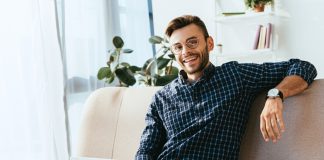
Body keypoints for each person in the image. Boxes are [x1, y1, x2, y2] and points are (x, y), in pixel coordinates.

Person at [135, 15, 317, 160]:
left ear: (209, 43)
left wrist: (275, 95)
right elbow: (145, 150)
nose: (185, 52)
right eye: (178, 47)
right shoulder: (161, 98)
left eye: (192, 42)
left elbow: (303, 67)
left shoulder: (235, 75)